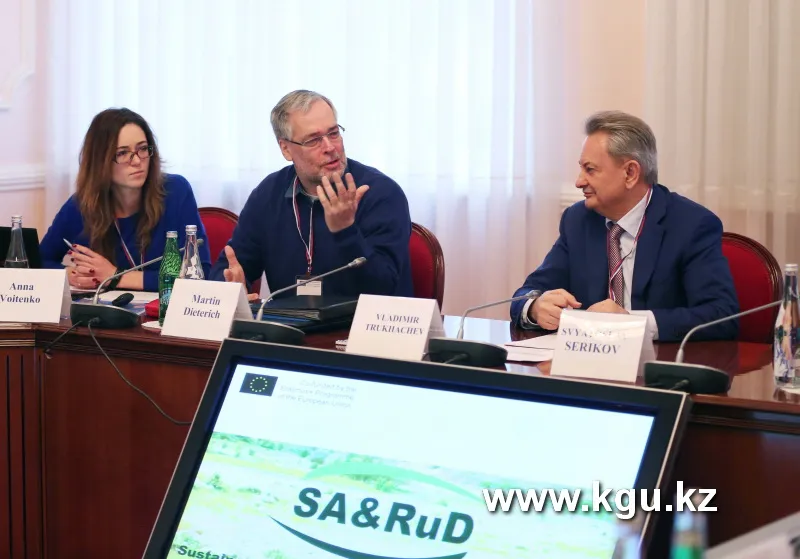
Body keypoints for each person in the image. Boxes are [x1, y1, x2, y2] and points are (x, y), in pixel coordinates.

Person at [510, 110, 739, 342]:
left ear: (630, 173)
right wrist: (535, 307)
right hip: (590, 357)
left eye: (590, 169)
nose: (579, 181)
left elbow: (721, 315)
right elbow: (525, 294)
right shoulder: (578, 220)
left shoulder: (691, 224)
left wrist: (632, 322)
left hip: (658, 361)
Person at [210, 89, 414, 300]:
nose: (330, 147)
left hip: (364, 321)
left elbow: (383, 288)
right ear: (286, 149)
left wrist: (345, 231)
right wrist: (229, 289)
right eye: (313, 140)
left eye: (333, 133)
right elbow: (230, 266)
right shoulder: (268, 194)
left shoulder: (381, 194)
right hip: (288, 321)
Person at [40, 108, 211, 292]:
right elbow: (39, 262)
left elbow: (199, 273)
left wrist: (115, 277)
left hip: (165, 308)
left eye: (142, 149)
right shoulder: (81, 205)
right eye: (122, 153)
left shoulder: (175, 191)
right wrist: (71, 275)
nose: (137, 161)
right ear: (100, 161)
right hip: (104, 309)